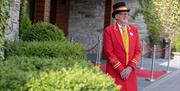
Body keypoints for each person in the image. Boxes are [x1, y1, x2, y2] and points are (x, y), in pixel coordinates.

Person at [103, 2, 141, 91]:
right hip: (115, 72)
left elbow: (138, 50)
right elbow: (109, 52)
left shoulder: (134, 30)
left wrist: (130, 67)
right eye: (123, 14)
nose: (126, 16)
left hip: (130, 72)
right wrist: (121, 69)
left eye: (127, 14)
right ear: (116, 16)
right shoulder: (109, 31)